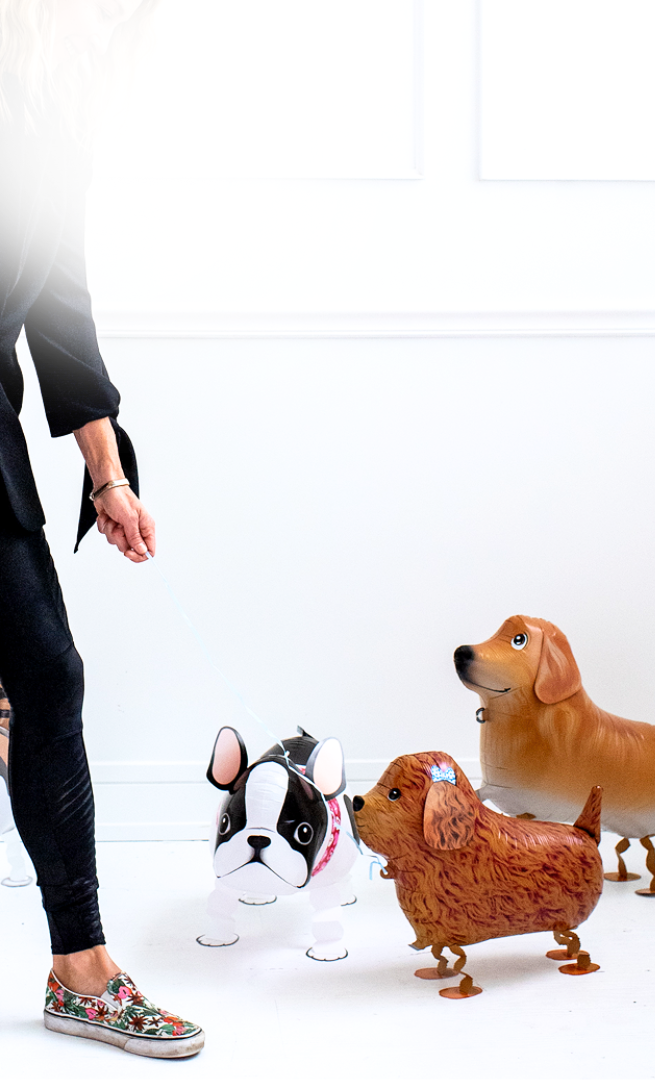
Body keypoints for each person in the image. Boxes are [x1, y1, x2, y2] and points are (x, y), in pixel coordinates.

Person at [0, 0, 204, 1058]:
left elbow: (58, 310)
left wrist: (107, 473)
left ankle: (80, 970)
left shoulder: (53, 121)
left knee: (46, 676)